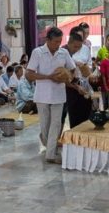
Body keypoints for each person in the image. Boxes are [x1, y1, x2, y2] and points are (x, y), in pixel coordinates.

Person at [26, 27, 76, 164]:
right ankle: (46, 139)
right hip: (42, 95)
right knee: (45, 125)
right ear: (47, 40)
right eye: (55, 42)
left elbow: (72, 70)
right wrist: (48, 77)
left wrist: (67, 76)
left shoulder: (63, 53)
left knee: (56, 124)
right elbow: (29, 74)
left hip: (59, 94)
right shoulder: (38, 52)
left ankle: (51, 154)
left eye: (60, 42)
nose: (57, 45)